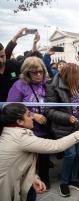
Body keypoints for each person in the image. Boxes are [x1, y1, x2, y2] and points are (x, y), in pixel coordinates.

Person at [0, 103, 79, 201]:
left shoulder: (12, 132)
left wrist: (33, 178)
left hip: (20, 182)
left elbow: (18, 165)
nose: (32, 117)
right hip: (7, 188)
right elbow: (55, 146)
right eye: (28, 115)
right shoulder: (19, 137)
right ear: (19, 122)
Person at [7, 56, 52, 188]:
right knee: (28, 159)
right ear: (27, 72)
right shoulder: (19, 85)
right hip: (28, 130)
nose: (38, 75)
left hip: (45, 128)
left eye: (41, 71)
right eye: (34, 72)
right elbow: (11, 107)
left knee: (44, 157)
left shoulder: (46, 83)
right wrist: (32, 115)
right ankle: (27, 183)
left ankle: (45, 180)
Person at [45, 63, 79, 197]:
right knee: (70, 154)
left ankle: (73, 180)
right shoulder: (54, 86)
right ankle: (64, 182)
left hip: (78, 126)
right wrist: (67, 117)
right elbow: (49, 110)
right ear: (70, 76)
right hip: (63, 127)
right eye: (78, 75)